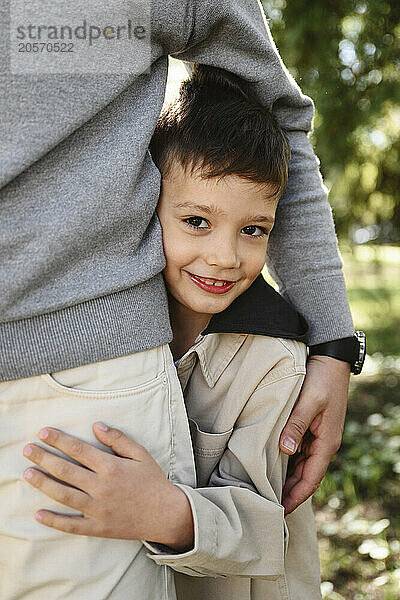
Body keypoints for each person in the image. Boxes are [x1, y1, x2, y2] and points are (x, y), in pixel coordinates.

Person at [1, 0, 354, 597]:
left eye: (253, 230)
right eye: (195, 222)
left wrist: (336, 342)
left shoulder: (271, 366)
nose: (223, 257)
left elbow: (278, 530)